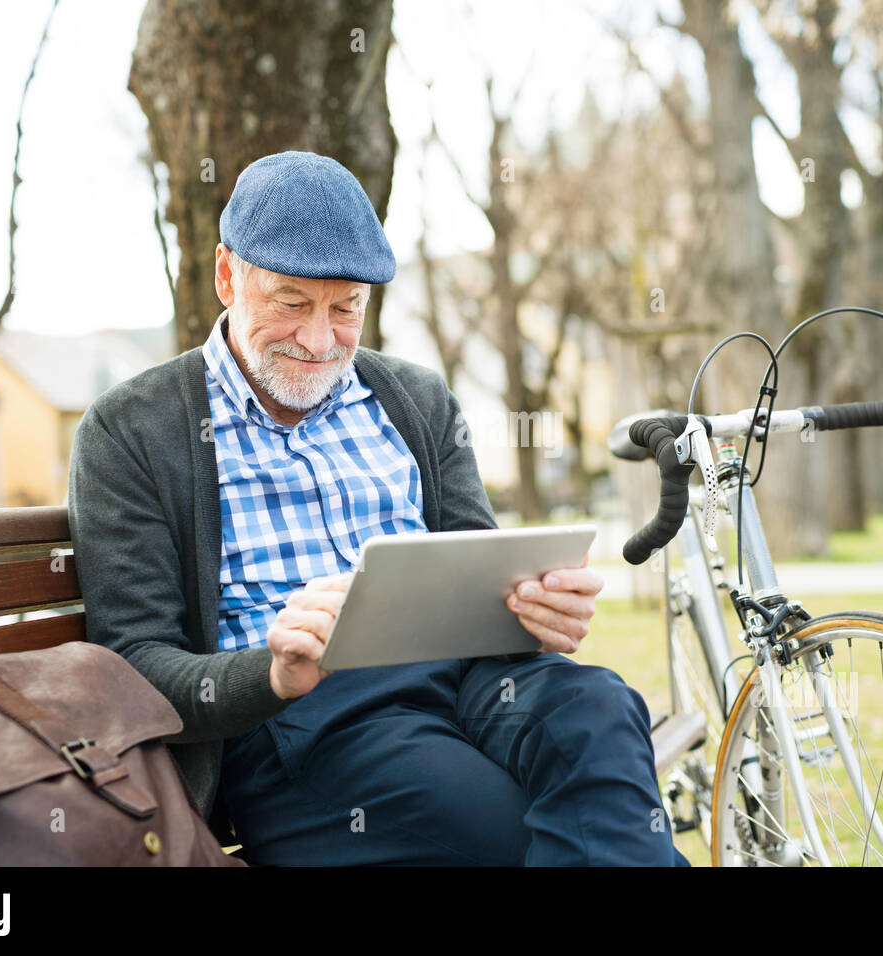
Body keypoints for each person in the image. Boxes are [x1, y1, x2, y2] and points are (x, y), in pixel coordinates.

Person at [68, 150, 688, 866]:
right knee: (519, 829)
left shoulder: (414, 399)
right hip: (303, 722)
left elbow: (475, 571)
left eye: (347, 308)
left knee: (602, 711)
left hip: (471, 682)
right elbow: (134, 664)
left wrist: (534, 611)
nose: (319, 339)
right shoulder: (132, 429)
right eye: (292, 303)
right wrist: (270, 675)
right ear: (226, 276)